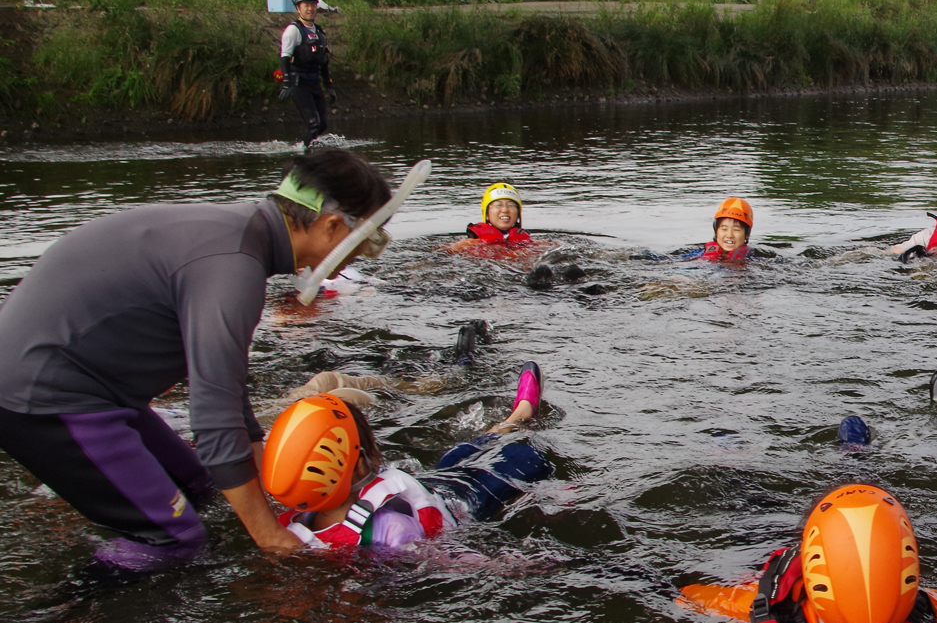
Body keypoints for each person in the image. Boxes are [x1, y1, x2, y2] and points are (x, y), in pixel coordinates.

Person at [0, 148, 397, 568]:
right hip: (45, 396)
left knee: (200, 487)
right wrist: (270, 537)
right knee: (175, 540)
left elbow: (227, 384)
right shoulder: (234, 266)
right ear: (333, 225)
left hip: (95, 388)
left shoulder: (238, 237)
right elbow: (213, 415)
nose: (365, 255)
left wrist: (269, 481)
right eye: (370, 241)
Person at [265, 363, 549, 550]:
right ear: (365, 462)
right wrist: (513, 564)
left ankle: (514, 418)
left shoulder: (293, 529)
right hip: (464, 498)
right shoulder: (392, 527)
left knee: (458, 456)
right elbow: (444, 559)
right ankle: (521, 415)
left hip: (434, 487)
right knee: (521, 458)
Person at [678, 484, 937, 623]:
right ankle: (736, 479)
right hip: (767, 546)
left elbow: (683, 595)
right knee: (752, 517)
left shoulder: (929, 608)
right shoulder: (767, 609)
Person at [278, 0, 337, 150]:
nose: (310, 9)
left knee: (322, 124)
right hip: (299, 83)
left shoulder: (319, 32)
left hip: (315, 83)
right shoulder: (293, 31)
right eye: (306, 5)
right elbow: (285, 57)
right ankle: (302, 153)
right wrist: (286, 82)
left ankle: (307, 147)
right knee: (313, 124)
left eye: (313, 5)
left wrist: (329, 87)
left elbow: (323, 62)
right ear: (298, 8)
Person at [676, 197, 755, 263]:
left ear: (746, 234)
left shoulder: (752, 259)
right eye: (724, 229)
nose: (729, 235)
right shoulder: (699, 254)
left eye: (736, 230)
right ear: (716, 231)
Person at [460, 182, 534, 248]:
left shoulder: (527, 242)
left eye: (510, 205)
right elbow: (451, 250)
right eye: (498, 205)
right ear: (487, 213)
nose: (505, 210)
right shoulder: (471, 243)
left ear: (518, 213)